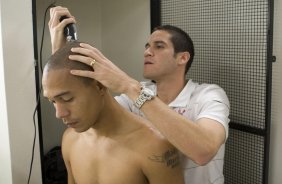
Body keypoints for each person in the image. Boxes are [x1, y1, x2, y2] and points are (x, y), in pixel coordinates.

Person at [49, 6, 230, 184]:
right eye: (147, 46)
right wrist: (60, 55)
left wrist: (128, 85)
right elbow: (88, 104)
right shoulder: (132, 99)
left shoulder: (208, 95)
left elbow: (203, 151)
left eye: (159, 46)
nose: (147, 52)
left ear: (182, 58)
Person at [42, 41, 184, 184]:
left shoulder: (154, 146)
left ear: (99, 85)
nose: (59, 114)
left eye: (67, 98)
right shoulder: (70, 139)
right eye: (53, 101)